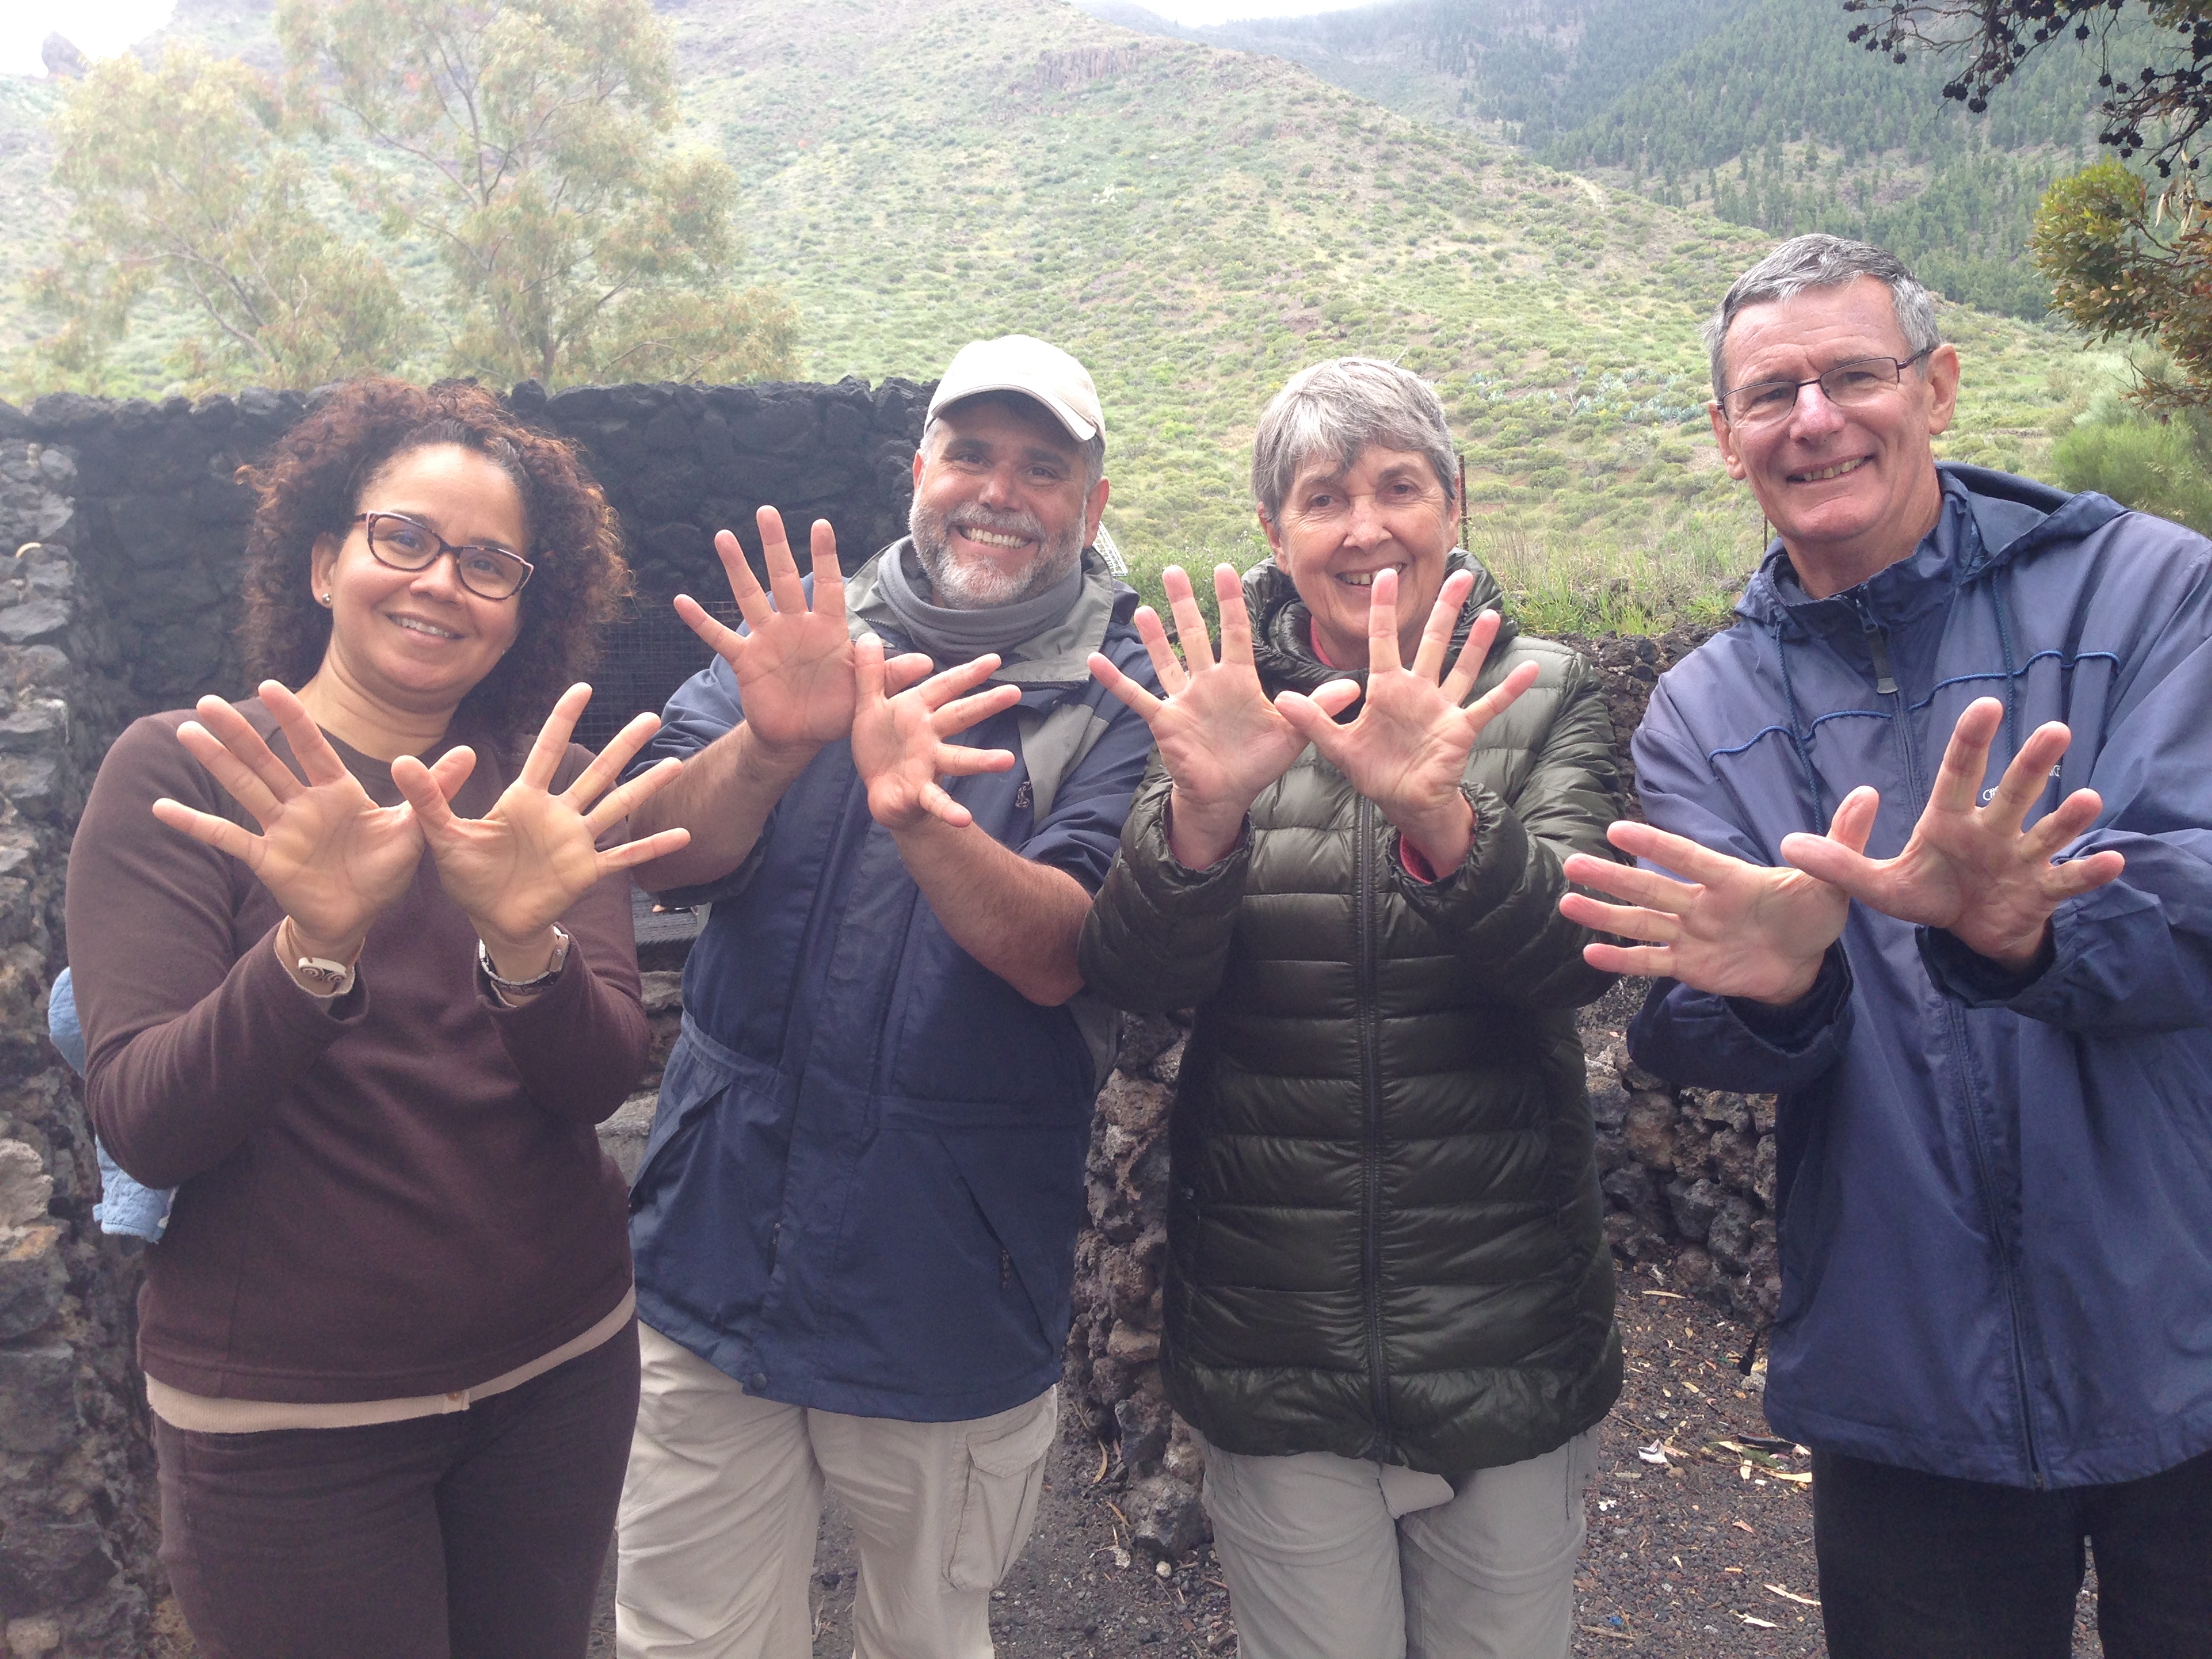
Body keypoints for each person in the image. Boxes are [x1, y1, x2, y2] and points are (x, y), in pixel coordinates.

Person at [1561, 234, 2212, 1658]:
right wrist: (1781, 987)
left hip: (2189, 1326)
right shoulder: (1702, 711)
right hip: (1908, 1376)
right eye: (1770, 393)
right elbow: (1690, 1022)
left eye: (1854, 373)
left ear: (1939, 385)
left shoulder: (2154, 594)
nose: (1815, 418)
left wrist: (2027, 930)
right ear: (1727, 440)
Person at [64, 376, 688, 1658]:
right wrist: (310, 949)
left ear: (528, 609)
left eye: (489, 562)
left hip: (556, 1377)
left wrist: (526, 943)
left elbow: (595, 1080)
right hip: (292, 1427)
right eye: (401, 537)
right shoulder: (183, 775)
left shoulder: (549, 802)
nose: (439, 581)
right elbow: (147, 1125)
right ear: (322, 559)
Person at [614, 335, 1159, 1659]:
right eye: (971, 453)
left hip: (947, 1291)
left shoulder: (1129, 694)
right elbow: (658, 856)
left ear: (1091, 504)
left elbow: (1065, 952)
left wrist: (921, 818)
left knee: (925, 1636)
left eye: (1044, 467)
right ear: (919, 469)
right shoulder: (808, 638)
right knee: (686, 1639)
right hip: (715, 1254)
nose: (998, 490)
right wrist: (769, 743)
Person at [1076, 358, 1624, 1659]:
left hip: (1508, 1326)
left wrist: (1439, 811)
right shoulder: (1227, 708)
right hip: (1279, 1333)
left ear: (1456, 505)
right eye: (1323, 497)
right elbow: (1139, 979)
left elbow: (1575, 964)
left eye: (1399, 487)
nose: (1365, 525)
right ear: (1275, 533)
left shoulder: (1543, 697)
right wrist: (1202, 813)